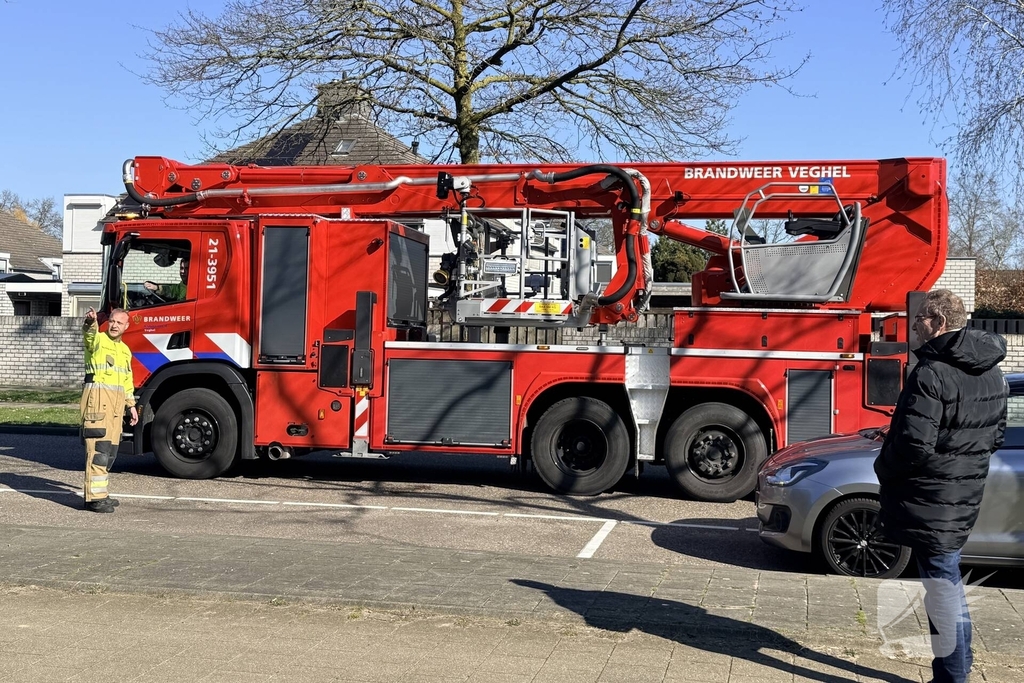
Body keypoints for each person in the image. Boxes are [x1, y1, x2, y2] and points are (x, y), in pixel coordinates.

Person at [874, 289, 1007, 683]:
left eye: (919, 319)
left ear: (939, 323)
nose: (914, 326)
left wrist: (884, 464)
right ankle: (957, 667)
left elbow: (915, 444)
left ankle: (953, 675)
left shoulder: (932, 372)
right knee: (947, 582)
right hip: (963, 494)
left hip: (932, 496)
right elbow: (995, 435)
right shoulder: (992, 369)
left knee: (942, 590)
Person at [80, 307, 139, 513]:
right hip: (98, 405)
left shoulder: (124, 351)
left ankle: (100, 493)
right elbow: (89, 336)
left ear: (126, 326)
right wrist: (90, 323)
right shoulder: (98, 341)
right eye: (112, 321)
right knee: (98, 452)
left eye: (119, 323)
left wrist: (131, 406)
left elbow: (126, 381)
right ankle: (94, 499)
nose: (114, 325)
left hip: (115, 409)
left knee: (110, 453)